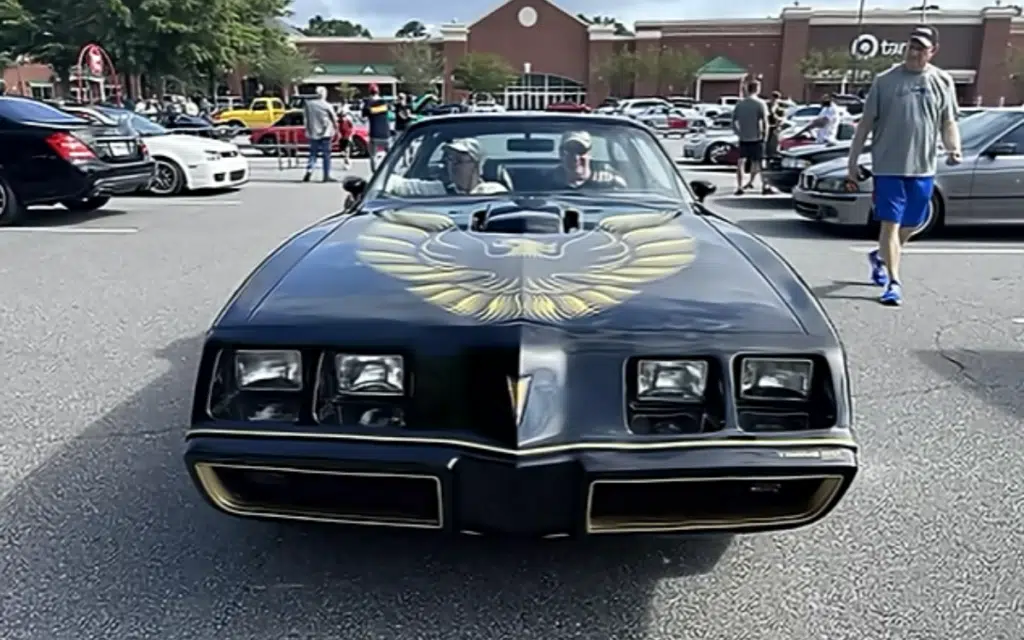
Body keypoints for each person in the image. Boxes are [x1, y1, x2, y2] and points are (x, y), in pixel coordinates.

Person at [845, 25, 961, 306]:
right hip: (888, 166)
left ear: (933, 51)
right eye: (911, 46)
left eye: (921, 48)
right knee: (890, 224)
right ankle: (893, 282)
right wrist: (853, 162)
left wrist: (954, 147)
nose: (914, 52)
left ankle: (880, 255)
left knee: (913, 223)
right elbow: (865, 126)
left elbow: (948, 122)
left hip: (923, 167)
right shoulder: (885, 81)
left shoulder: (942, 81)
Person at [385, 138, 508, 196]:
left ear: (476, 165)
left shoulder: (493, 191)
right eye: (450, 160)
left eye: (459, 161)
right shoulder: (439, 190)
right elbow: (398, 184)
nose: (452, 166)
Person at [730, 80, 769, 195]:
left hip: (744, 137)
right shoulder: (760, 103)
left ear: (747, 89)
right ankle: (764, 186)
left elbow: (733, 121)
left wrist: (738, 132)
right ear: (757, 89)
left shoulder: (740, 104)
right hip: (756, 137)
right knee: (759, 162)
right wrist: (765, 135)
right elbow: (764, 121)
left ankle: (740, 186)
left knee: (741, 162)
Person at [555, 131, 627, 189]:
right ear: (561, 154)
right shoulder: (547, 183)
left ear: (589, 154)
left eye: (581, 150)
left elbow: (627, 194)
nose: (576, 157)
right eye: (570, 150)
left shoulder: (606, 179)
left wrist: (613, 182)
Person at [302, 86, 338, 183]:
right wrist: (337, 130)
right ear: (324, 94)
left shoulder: (309, 105)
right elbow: (334, 119)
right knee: (326, 155)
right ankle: (326, 175)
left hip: (312, 132)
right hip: (325, 132)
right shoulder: (326, 105)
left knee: (313, 153)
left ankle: (310, 169)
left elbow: (305, 117)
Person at [362, 84, 392, 173]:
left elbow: (363, 118)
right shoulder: (384, 103)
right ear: (378, 91)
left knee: (373, 156)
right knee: (390, 154)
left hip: (374, 134)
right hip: (386, 133)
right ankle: (389, 170)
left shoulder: (368, 105)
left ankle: (375, 173)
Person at [337, 104, 354, 171]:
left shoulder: (348, 121)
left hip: (347, 137)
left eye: (344, 116)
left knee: (347, 151)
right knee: (343, 151)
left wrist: (351, 135)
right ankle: (346, 161)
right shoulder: (339, 122)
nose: (343, 117)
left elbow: (352, 127)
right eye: (341, 116)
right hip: (342, 138)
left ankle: (347, 162)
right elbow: (337, 129)